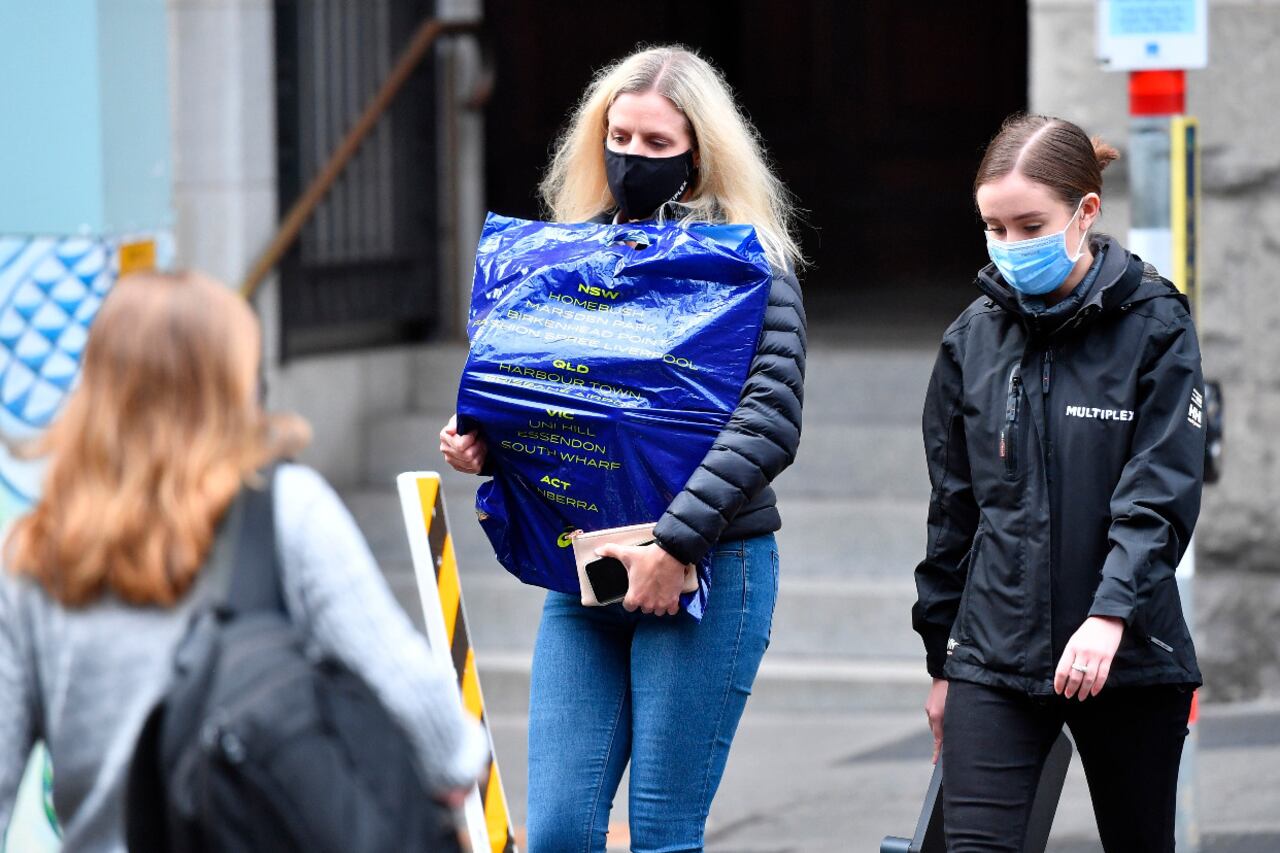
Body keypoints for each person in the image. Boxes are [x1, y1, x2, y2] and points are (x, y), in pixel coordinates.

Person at [440, 45, 806, 853]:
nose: (632, 156)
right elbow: (561, 403)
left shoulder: (751, 265)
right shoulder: (566, 260)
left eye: (656, 143)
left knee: (662, 834)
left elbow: (770, 418)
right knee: (559, 833)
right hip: (589, 569)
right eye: (620, 137)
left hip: (708, 565)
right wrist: (490, 444)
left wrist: (675, 545)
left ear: (698, 155)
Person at [0, 271, 487, 850]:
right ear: (236, 387)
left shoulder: (37, 556)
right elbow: (421, 712)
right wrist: (462, 760)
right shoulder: (286, 510)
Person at [911, 114, 1205, 852]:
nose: (1011, 245)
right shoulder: (972, 338)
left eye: (1030, 226)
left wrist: (1111, 614)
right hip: (993, 659)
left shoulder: (1156, 325)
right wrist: (943, 660)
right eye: (994, 227)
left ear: (1086, 211)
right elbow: (952, 513)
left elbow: (1160, 491)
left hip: (1127, 654)